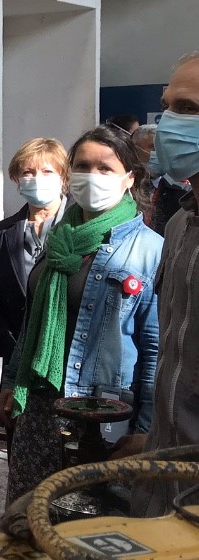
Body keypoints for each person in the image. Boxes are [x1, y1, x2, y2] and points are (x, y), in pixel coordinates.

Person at [0, 125, 161, 504]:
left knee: (85, 530)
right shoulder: (60, 239)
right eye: (84, 166)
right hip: (39, 408)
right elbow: (31, 323)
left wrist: (146, 430)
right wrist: (11, 381)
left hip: (97, 415)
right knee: (28, 520)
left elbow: (154, 351)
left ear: (129, 179)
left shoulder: (149, 251)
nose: (93, 176)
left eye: (105, 168)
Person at [131, 52, 199, 516]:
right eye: (169, 106)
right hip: (164, 487)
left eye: (189, 109)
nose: (171, 123)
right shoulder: (178, 226)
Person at [0, 138, 69, 368]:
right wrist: (5, 343)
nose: (37, 179)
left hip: (65, 357)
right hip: (16, 358)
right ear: (16, 179)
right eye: (28, 172)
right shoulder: (1, 233)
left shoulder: (78, 227)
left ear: (64, 178)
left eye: (47, 171)